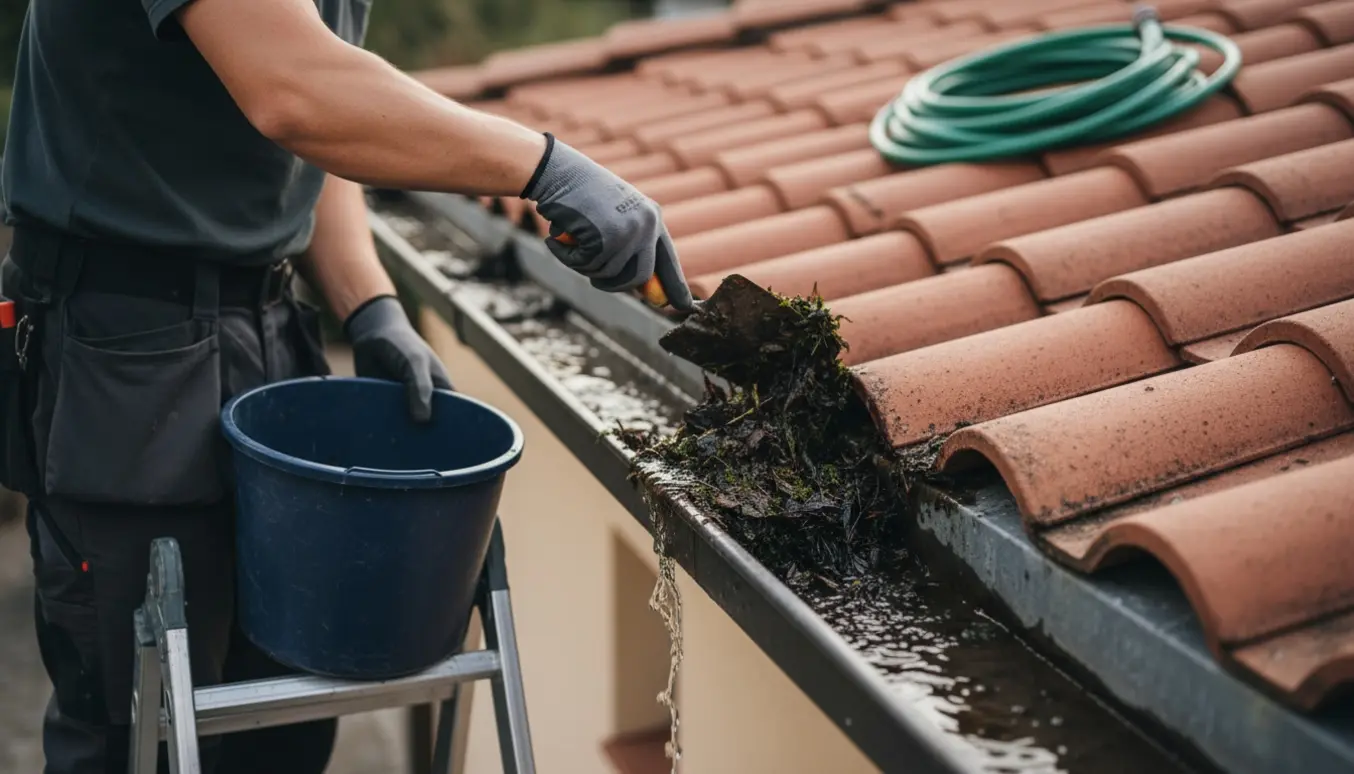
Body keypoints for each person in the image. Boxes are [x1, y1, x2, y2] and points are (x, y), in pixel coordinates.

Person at [0, 0, 696, 771]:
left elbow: (326, 120)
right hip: (120, 349)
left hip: (263, 327)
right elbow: (295, 92)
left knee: (287, 713)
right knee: (138, 722)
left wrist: (370, 306)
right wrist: (545, 167)